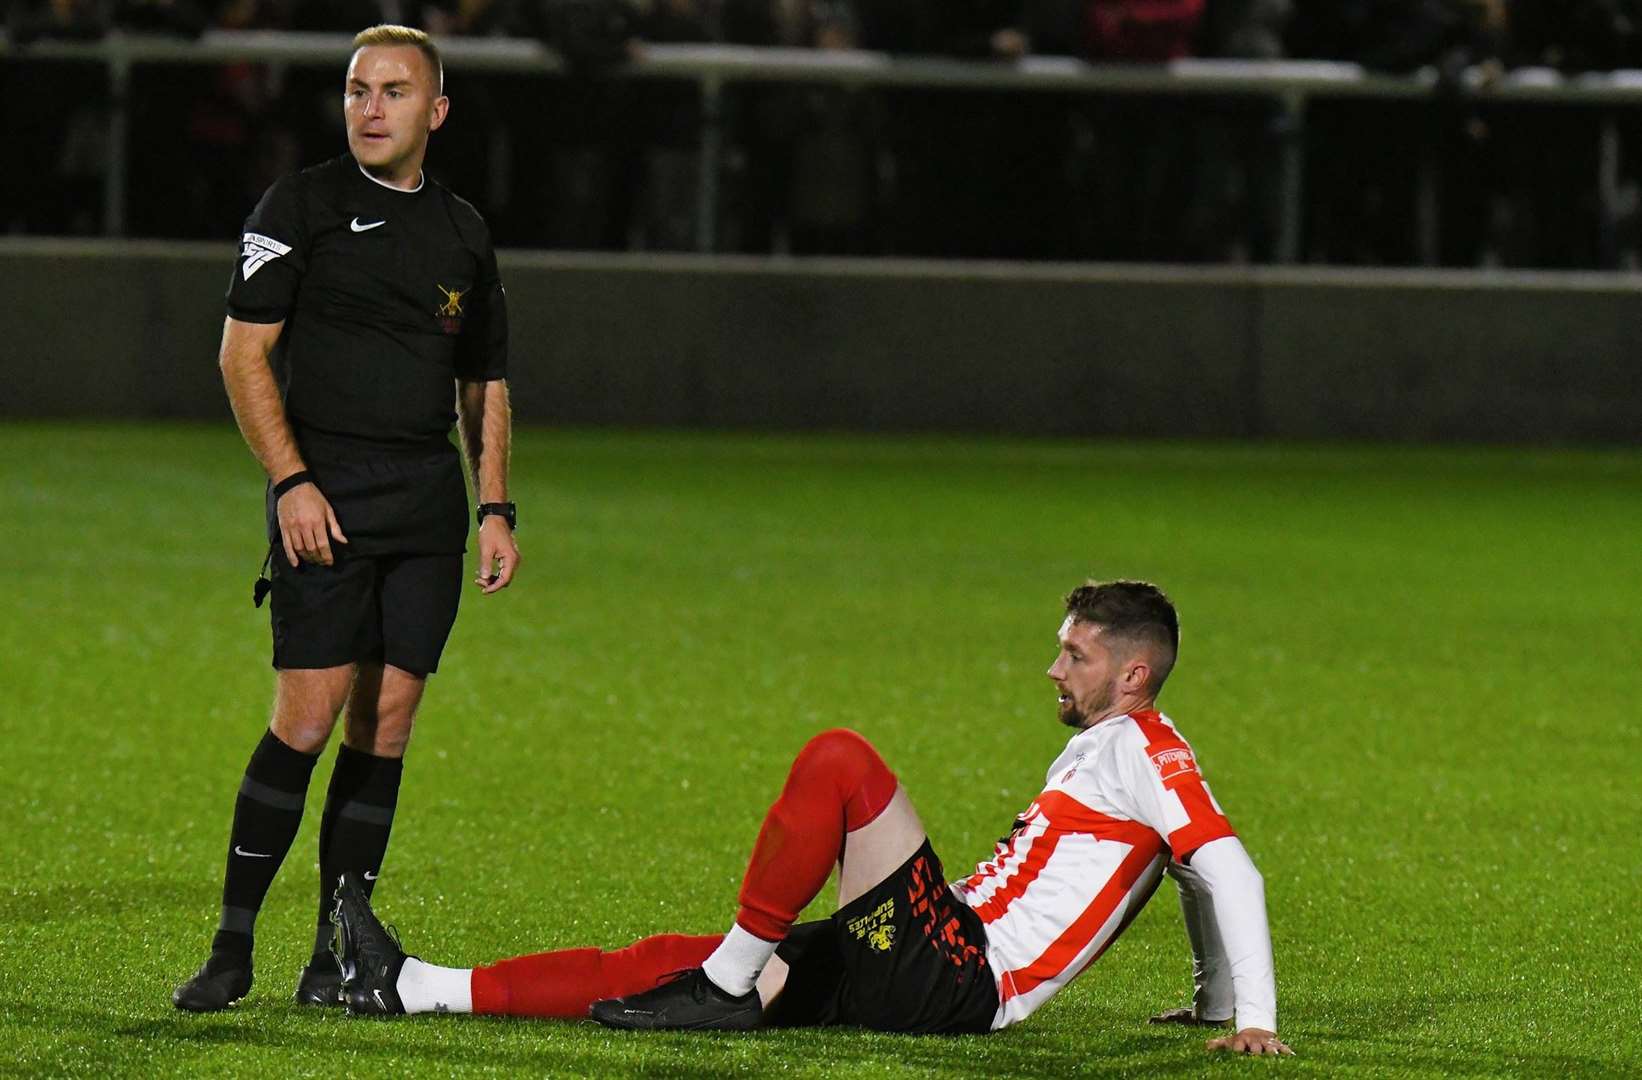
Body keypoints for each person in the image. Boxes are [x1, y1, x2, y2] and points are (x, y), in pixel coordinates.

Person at [330, 581, 1292, 1055]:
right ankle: (410, 986)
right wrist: (1211, 998)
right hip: (932, 961)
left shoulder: (1146, 746)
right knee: (673, 955)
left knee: (841, 761)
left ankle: (730, 984)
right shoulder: (1122, 754)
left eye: (1075, 655)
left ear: (1133, 673)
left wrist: (1253, 1020)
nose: (1053, 669)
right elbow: (1190, 867)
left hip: (962, 978)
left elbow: (1229, 868)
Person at [173, 23, 521, 1013]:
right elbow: (242, 357)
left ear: (436, 111)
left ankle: (338, 955)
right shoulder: (302, 204)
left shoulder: (462, 231)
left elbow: (484, 379)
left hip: (426, 508)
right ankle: (231, 946)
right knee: (310, 712)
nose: (369, 108)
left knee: (389, 722)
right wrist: (291, 483)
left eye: (393, 92)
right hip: (324, 497)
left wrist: (494, 506)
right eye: (357, 90)